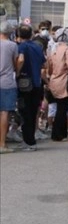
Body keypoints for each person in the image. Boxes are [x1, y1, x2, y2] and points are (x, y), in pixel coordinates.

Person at [15, 24, 47, 151]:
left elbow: (21, 60)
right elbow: (45, 63)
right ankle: (30, 139)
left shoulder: (22, 46)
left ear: (19, 35)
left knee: (25, 112)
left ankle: (29, 142)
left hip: (24, 83)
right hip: (37, 83)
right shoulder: (37, 47)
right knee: (33, 112)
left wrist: (17, 72)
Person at [0, 22, 18, 153]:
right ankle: (2, 144)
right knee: (5, 112)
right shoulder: (12, 45)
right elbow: (18, 61)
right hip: (7, 81)